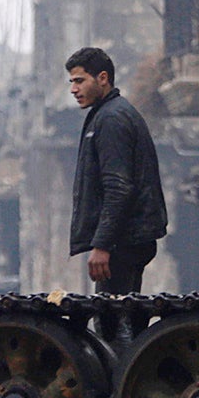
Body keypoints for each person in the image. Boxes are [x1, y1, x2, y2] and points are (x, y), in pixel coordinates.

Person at [65, 45, 168, 293]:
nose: (73, 89)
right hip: (125, 240)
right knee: (123, 320)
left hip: (123, 242)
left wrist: (102, 246)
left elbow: (118, 187)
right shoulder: (107, 114)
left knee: (113, 323)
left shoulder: (112, 119)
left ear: (103, 78)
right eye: (71, 82)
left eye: (80, 81)